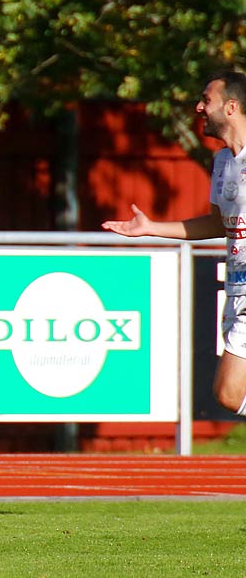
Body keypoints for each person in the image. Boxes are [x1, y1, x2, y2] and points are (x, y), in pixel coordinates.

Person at [104, 68, 246, 410]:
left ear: (230, 107)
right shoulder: (224, 161)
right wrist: (151, 227)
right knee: (229, 394)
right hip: (237, 289)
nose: (198, 107)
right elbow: (218, 224)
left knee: (229, 392)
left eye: (205, 100)